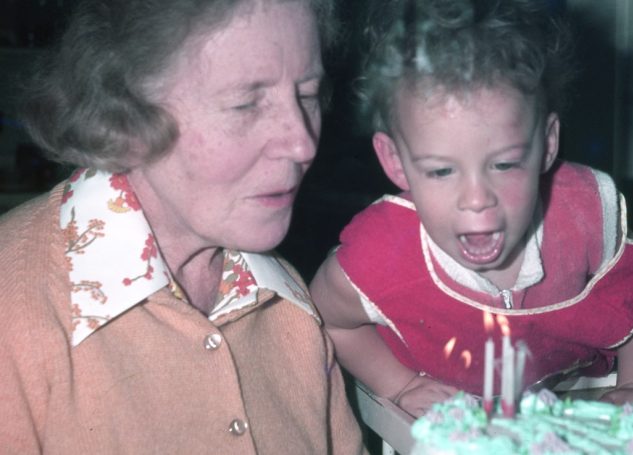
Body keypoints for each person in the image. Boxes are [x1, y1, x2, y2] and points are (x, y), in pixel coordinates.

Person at [0, 0, 365, 453]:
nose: (302, 142)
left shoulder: (288, 304)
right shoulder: (12, 314)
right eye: (245, 104)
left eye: (307, 95)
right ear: (123, 114)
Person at [309, 0, 633, 418]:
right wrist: (401, 384)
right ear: (394, 162)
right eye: (441, 170)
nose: (477, 198)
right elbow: (328, 320)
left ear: (547, 144)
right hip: (446, 403)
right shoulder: (379, 255)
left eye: (505, 164)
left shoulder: (581, 218)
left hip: (563, 393)